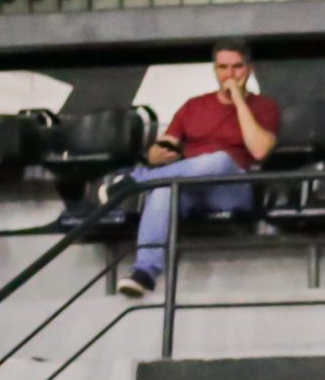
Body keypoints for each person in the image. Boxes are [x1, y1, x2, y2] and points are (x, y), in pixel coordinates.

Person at [116, 39, 280, 298]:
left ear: (249, 69)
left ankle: (136, 181)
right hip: (191, 186)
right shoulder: (194, 106)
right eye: (223, 68)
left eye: (237, 67)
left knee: (219, 159)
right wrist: (157, 154)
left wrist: (239, 100)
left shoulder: (264, 106)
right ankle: (145, 272)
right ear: (214, 70)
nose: (230, 74)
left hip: (232, 188)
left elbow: (260, 150)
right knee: (162, 191)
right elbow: (162, 147)